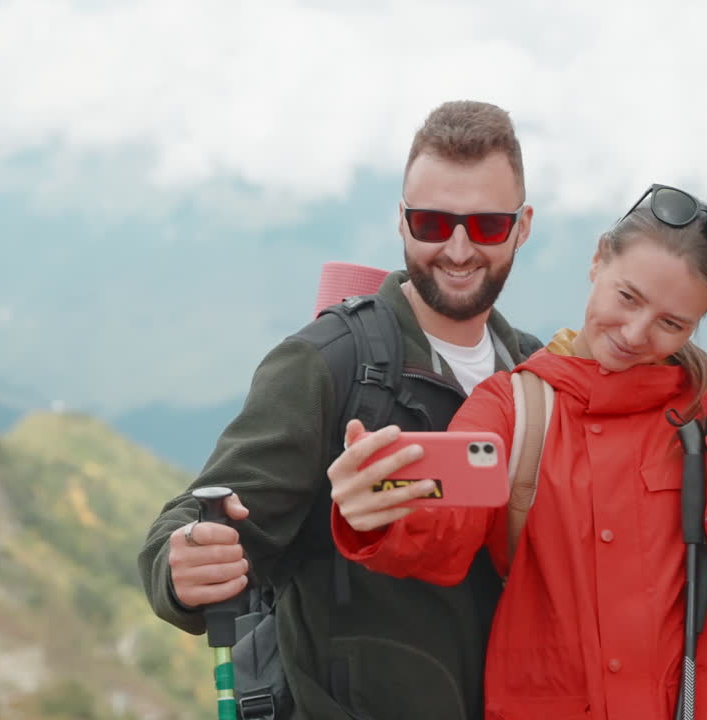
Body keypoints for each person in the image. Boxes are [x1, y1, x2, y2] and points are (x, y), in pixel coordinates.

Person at [328, 185, 707, 719]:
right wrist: (380, 501)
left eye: (672, 324)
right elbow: (446, 527)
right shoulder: (515, 407)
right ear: (597, 259)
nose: (635, 333)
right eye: (627, 297)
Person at [138, 100, 540, 720]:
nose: (458, 249)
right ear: (401, 221)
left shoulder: (537, 380)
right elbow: (206, 515)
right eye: (432, 223)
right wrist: (180, 565)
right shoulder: (328, 364)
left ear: (523, 225)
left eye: (487, 225)